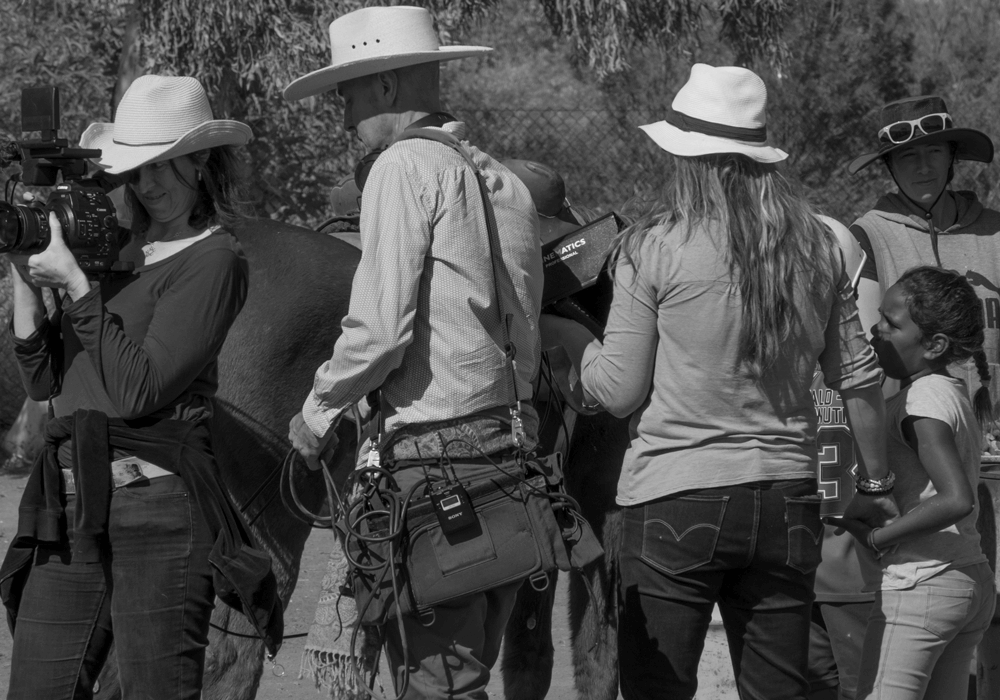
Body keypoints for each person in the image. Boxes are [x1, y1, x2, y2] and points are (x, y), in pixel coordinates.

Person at [541, 63, 894, 700]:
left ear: (688, 157)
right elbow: (859, 381)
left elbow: (617, 390)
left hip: (675, 498)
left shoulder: (654, 246)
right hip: (788, 498)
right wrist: (873, 484)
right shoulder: (819, 245)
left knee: (659, 688)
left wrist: (566, 333)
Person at [284, 6, 542, 699]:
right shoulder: (506, 184)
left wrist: (316, 413)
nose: (344, 117)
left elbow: (380, 329)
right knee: (464, 673)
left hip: (433, 464)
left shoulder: (400, 167)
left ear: (388, 89)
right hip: (508, 455)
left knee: (435, 681)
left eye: (348, 96)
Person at [0, 75, 281, 700]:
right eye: (136, 167)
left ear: (202, 159)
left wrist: (76, 288)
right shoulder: (114, 249)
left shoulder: (215, 261)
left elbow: (137, 391)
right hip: (70, 495)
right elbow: (46, 382)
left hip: (157, 507)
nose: (146, 183)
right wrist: (25, 279)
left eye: (162, 165)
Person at [828, 266, 996, 700]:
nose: (874, 329)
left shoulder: (921, 399)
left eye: (891, 323)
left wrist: (879, 537)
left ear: (934, 344)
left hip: (923, 584)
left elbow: (956, 498)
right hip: (966, 576)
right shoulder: (950, 391)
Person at [847, 95, 998, 407]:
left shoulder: (995, 231)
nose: (923, 166)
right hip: (915, 432)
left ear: (952, 155)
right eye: (907, 155)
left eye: (934, 150)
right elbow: (867, 358)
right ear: (888, 164)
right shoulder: (868, 236)